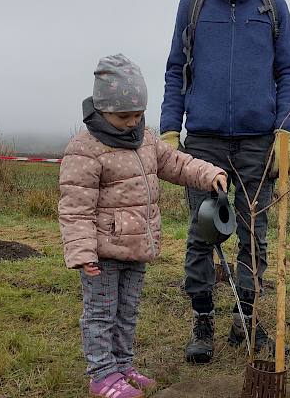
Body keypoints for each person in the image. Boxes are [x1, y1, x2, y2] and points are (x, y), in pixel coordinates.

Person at [59, 54, 228, 397]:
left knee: (127, 312)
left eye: (138, 114)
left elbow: (178, 164)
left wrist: (209, 173)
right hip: (102, 255)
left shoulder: (147, 140)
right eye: (124, 116)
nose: (132, 122)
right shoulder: (84, 149)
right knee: (101, 315)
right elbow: (75, 208)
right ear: (102, 109)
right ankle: (101, 375)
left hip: (137, 248)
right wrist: (82, 252)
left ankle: (123, 365)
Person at [159, 0, 290, 364]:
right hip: (204, 140)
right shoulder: (194, 5)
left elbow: (288, 70)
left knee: (254, 235)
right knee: (202, 233)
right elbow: (176, 69)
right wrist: (170, 129)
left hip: (258, 141)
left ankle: (246, 321)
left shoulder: (272, 5)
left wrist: (285, 130)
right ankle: (202, 320)